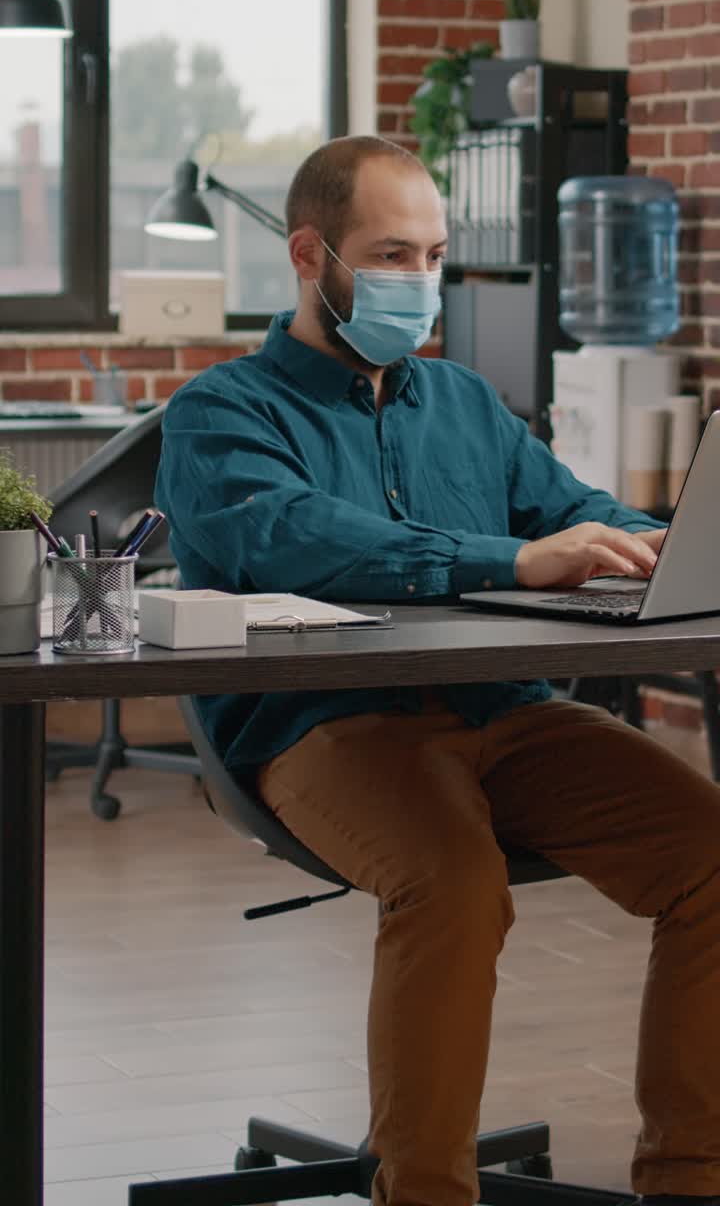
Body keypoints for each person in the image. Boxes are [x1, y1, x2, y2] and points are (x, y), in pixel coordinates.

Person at [155, 135, 720, 1206]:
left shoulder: (464, 404)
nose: (423, 282)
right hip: (325, 726)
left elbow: (571, 510)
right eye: (395, 254)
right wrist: (508, 557)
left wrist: (667, 543)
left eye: (436, 255)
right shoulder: (220, 412)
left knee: (712, 850)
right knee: (455, 880)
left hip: (504, 711)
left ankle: (690, 1180)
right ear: (313, 253)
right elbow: (300, 537)